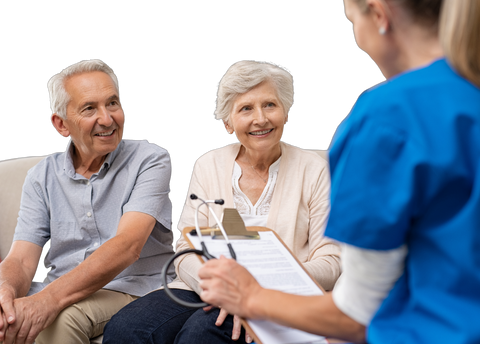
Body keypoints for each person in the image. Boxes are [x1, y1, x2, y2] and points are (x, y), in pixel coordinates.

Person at [197, 0, 480, 343]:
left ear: (379, 14)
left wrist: (250, 296)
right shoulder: (464, 95)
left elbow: (356, 315)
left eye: (350, 20)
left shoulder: (388, 118)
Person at [103, 59, 341, 343]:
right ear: (228, 122)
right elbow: (186, 248)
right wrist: (220, 289)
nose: (260, 119)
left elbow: (331, 262)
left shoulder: (314, 169)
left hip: (281, 295)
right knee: (124, 328)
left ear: (286, 112)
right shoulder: (208, 164)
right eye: (246, 109)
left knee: (200, 335)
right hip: (203, 287)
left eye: (270, 105)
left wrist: (255, 290)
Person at [0, 58, 175, 344]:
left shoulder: (150, 159)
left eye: (113, 103)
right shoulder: (41, 176)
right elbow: (20, 259)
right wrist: (4, 291)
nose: (107, 119)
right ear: (61, 124)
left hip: (131, 287)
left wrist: (48, 301)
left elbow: (126, 247)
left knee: (60, 320)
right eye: (89, 108)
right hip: (60, 287)